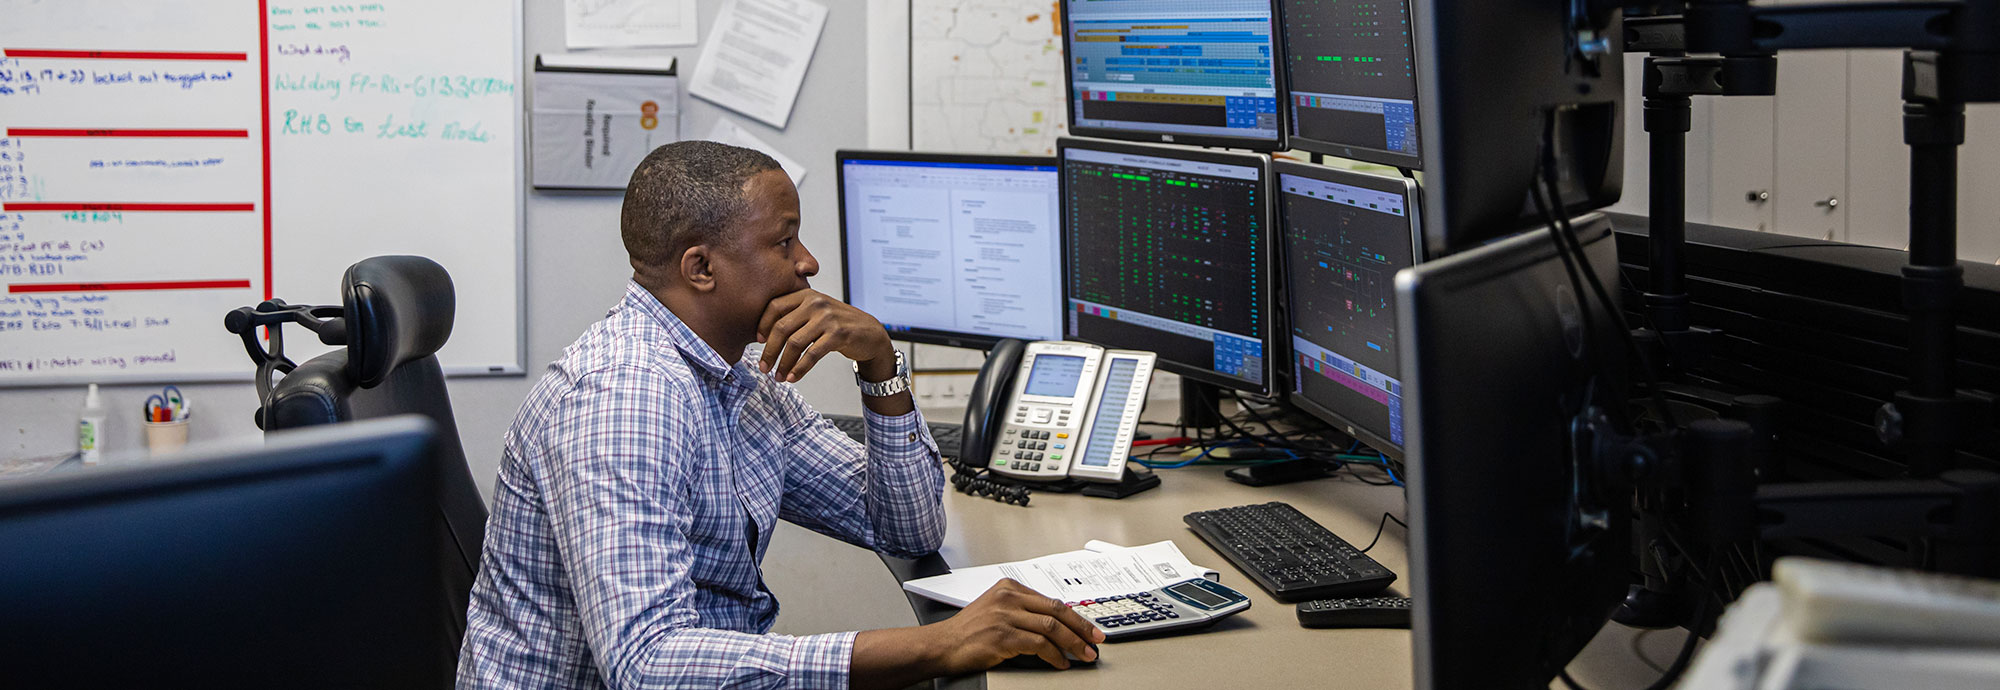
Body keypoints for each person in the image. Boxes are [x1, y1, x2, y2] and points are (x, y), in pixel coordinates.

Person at [458, 141, 1103, 689]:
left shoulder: (737, 374)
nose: (809, 263)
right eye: (784, 240)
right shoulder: (626, 399)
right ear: (702, 267)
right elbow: (647, 664)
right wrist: (936, 646)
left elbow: (908, 529)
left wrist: (880, 363)